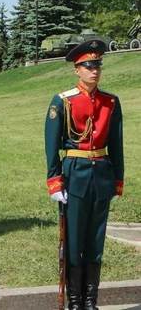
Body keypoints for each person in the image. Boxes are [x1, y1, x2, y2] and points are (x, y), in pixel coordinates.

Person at [45, 40, 124, 310]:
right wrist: (55, 181)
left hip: (101, 175)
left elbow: (116, 144)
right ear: (76, 70)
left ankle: (91, 302)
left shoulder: (110, 102)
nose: (94, 71)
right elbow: (52, 145)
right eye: (88, 66)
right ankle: (75, 302)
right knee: (75, 240)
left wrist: (117, 178)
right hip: (75, 175)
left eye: (97, 65)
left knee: (95, 241)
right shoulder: (63, 101)